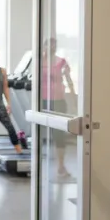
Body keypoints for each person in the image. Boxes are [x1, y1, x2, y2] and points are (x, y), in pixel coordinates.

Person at [40, 37, 75, 177]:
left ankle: (61, 166)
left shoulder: (62, 62)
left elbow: (69, 80)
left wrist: (73, 97)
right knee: (40, 132)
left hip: (59, 100)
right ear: (44, 47)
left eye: (54, 45)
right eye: (49, 45)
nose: (51, 48)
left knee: (59, 134)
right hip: (43, 100)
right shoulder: (39, 63)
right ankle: (38, 165)